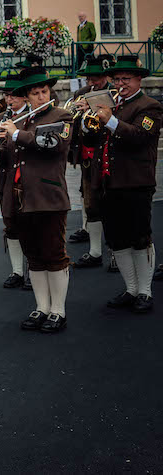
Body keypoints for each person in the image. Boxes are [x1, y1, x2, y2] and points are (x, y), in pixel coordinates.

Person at [0, 66, 73, 334]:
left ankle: (58, 310)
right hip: (20, 197)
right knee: (34, 256)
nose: (41, 96)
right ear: (27, 96)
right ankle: (42, 307)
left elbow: (54, 144)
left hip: (48, 196)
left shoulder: (62, 115)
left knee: (54, 253)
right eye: (35, 93)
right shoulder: (23, 119)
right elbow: (7, 158)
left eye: (44, 91)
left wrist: (15, 134)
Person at [83, 56, 162, 313]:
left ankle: (145, 292)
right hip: (108, 182)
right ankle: (130, 288)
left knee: (139, 237)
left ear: (139, 79)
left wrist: (110, 120)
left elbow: (140, 136)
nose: (120, 83)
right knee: (117, 240)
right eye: (117, 79)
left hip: (135, 182)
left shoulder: (149, 106)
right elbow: (95, 141)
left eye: (125, 79)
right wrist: (88, 122)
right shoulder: (109, 104)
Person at [69, 55, 114, 267]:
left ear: (105, 77)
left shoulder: (113, 94)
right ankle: (95, 252)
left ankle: (116, 252)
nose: (92, 83)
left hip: (110, 156)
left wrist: (95, 106)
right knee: (91, 203)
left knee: (113, 204)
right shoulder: (80, 94)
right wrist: (77, 112)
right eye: (89, 79)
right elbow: (72, 122)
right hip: (88, 157)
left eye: (96, 79)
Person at [0, 76, 29, 290]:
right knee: (10, 224)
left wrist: (13, 135)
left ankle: (33, 268)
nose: (9, 99)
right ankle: (17, 270)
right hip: (5, 177)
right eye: (6, 95)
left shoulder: (31, 117)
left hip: (25, 178)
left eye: (12, 95)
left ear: (24, 96)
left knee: (29, 225)